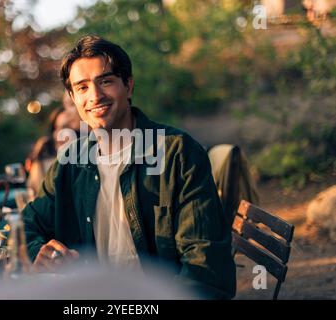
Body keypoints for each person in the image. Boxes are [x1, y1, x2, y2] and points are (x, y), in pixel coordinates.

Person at [22, 35, 236, 299]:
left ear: (129, 86)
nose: (95, 96)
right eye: (82, 87)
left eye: (106, 81)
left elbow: (205, 268)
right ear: (73, 98)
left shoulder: (179, 153)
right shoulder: (70, 161)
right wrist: (38, 251)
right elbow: (26, 224)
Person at [25, 106, 80, 196]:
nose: (59, 133)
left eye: (66, 127)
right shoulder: (43, 159)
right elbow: (34, 194)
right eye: (56, 128)